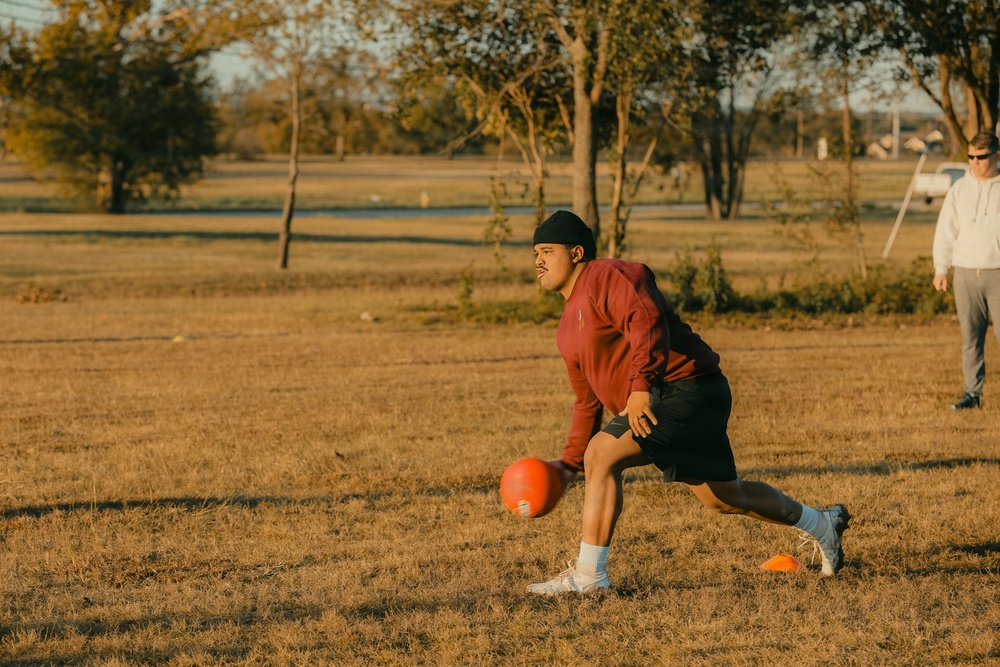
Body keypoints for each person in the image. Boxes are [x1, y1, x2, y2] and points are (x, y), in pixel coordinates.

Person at [527, 210, 850, 596]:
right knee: (727, 498)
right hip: (672, 397)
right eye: (535, 253)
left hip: (688, 388)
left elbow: (645, 319)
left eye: (547, 250)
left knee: (603, 454)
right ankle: (823, 523)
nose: (538, 261)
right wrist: (567, 465)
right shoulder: (566, 329)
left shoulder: (608, 275)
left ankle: (590, 578)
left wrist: (641, 385)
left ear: (576, 252)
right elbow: (585, 403)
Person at [932, 131, 1000, 411]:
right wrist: (941, 268)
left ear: (996, 156)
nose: (974, 162)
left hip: (997, 272)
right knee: (970, 337)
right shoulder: (960, 188)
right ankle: (972, 395)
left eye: (981, 157)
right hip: (965, 274)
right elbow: (945, 230)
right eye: (970, 156)